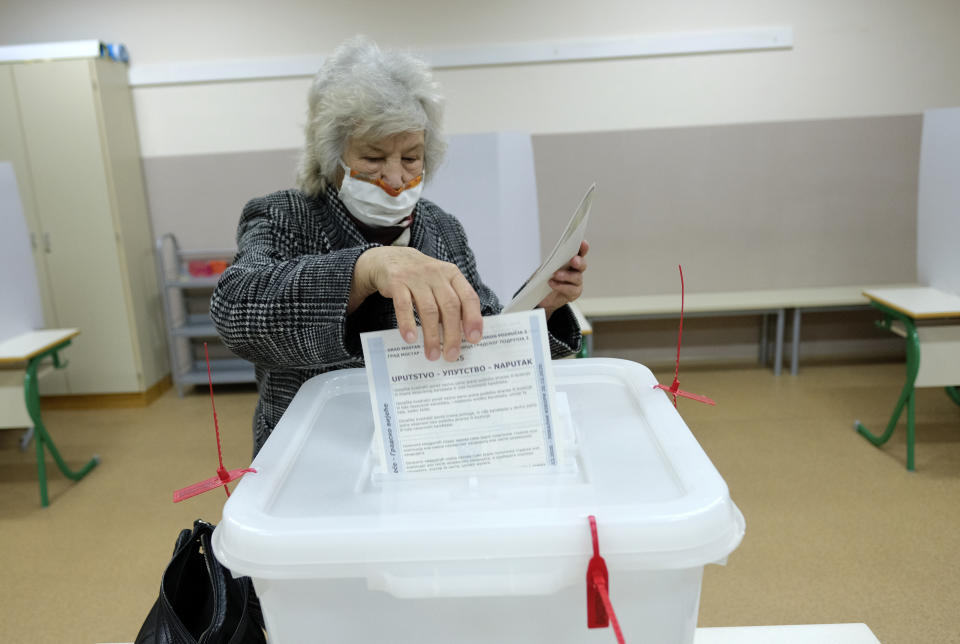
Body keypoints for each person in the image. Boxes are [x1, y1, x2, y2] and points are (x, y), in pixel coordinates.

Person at [211, 37, 589, 455]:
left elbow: (481, 332)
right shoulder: (285, 216)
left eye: (411, 158)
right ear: (331, 156)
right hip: (310, 453)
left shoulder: (442, 229)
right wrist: (366, 268)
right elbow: (236, 312)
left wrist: (542, 307)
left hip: (424, 447)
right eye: (373, 158)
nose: (395, 177)